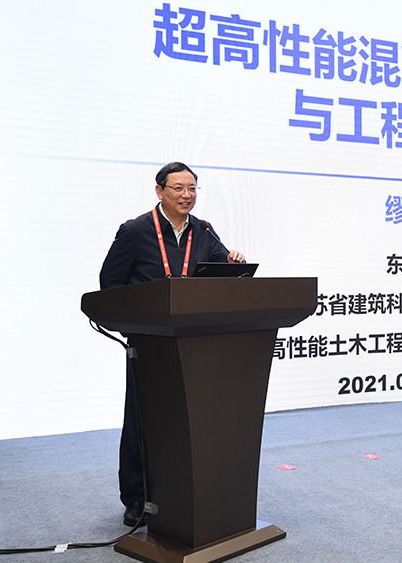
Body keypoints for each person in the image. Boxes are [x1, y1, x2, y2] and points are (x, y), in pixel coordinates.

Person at [99, 162, 245, 526]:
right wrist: (134, 322)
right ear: (160, 191)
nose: (186, 195)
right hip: (149, 344)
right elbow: (110, 284)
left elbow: (222, 277)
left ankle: (181, 495)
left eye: (192, 188)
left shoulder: (204, 231)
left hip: (194, 343)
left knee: (189, 424)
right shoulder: (135, 231)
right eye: (178, 188)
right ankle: (136, 498)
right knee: (142, 421)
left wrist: (234, 263)